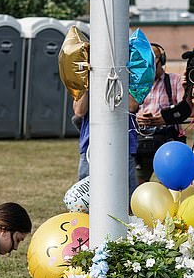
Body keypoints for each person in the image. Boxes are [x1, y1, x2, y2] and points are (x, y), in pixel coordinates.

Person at [73, 91, 140, 198]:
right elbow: (79, 111)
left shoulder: (128, 78)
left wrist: (116, 83)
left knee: (126, 197)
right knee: (86, 197)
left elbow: (132, 106)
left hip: (123, 146)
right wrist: (87, 86)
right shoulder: (87, 81)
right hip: (90, 147)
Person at [136, 43, 185, 183]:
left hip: (168, 140)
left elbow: (184, 109)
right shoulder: (136, 84)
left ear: (162, 62)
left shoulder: (175, 81)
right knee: (136, 188)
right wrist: (139, 118)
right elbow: (128, 110)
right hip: (142, 142)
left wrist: (164, 118)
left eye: (153, 64)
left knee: (171, 187)